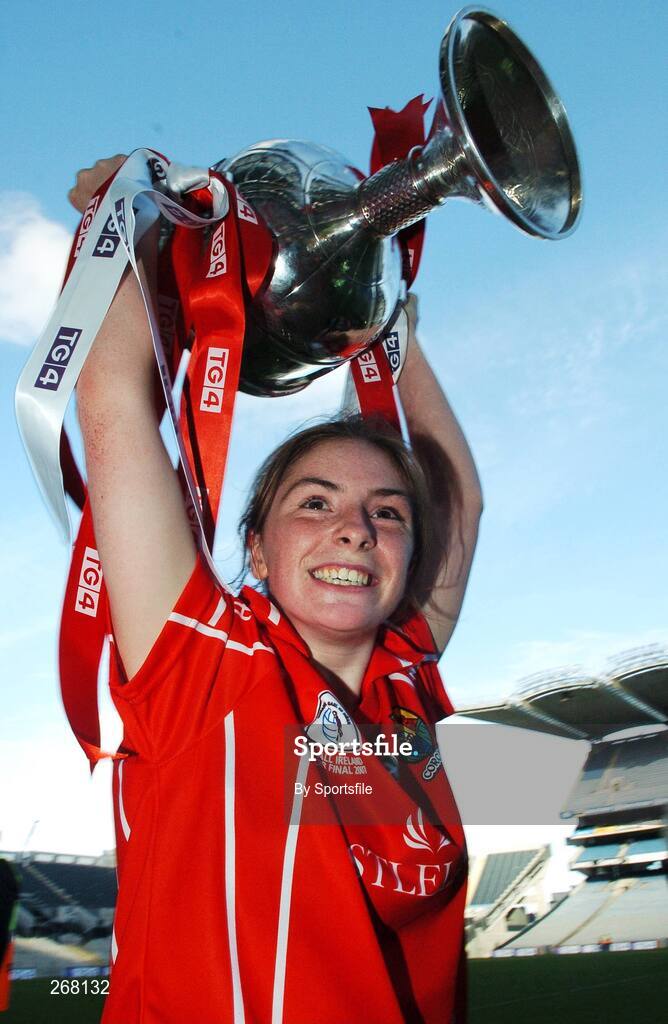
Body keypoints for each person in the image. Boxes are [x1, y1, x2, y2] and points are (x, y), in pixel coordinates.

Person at [70, 157, 483, 1024]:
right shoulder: (204, 669)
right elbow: (111, 398)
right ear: (254, 549)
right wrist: (143, 229)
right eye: (315, 503)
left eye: (387, 513)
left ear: (410, 553)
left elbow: (460, 493)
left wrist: (380, 305)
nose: (355, 528)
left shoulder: (406, 679)